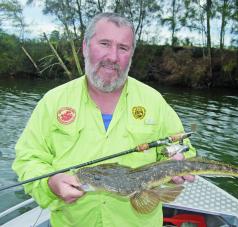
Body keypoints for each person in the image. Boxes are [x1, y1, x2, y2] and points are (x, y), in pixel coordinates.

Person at [13, 12, 196, 227]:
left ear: (131, 55)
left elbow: (180, 148)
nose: (113, 57)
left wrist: (177, 161)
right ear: (85, 46)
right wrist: (49, 182)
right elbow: (27, 159)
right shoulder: (53, 101)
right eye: (104, 43)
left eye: (123, 48)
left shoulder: (154, 101)